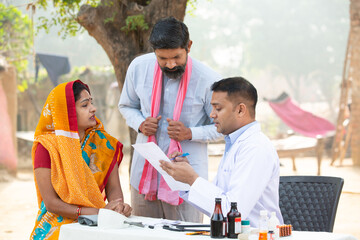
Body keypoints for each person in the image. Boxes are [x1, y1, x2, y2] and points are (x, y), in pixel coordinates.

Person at [118, 16, 222, 222]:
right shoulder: (139, 67)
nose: (171, 64)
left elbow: (222, 127)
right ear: (154, 51)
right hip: (144, 177)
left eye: (176, 57)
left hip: (187, 182)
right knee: (143, 236)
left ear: (189, 47)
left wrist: (191, 133)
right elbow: (126, 105)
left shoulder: (208, 79)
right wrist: (140, 123)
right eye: (162, 59)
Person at [160, 77, 284, 227]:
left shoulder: (255, 147)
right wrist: (186, 180)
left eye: (218, 108)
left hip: (257, 234)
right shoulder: (234, 143)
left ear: (240, 110)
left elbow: (232, 213)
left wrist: (193, 179)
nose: (212, 114)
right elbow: (217, 206)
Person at [30, 80, 132, 240]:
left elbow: (113, 189)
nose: (93, 109)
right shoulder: (47, 146)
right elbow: (50, 202)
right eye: (84, 105)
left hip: (98, 220)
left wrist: (118, 207)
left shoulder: (103, 143)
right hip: (56, 224)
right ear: (67, 111)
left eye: (91, 102)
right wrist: (92, 212)